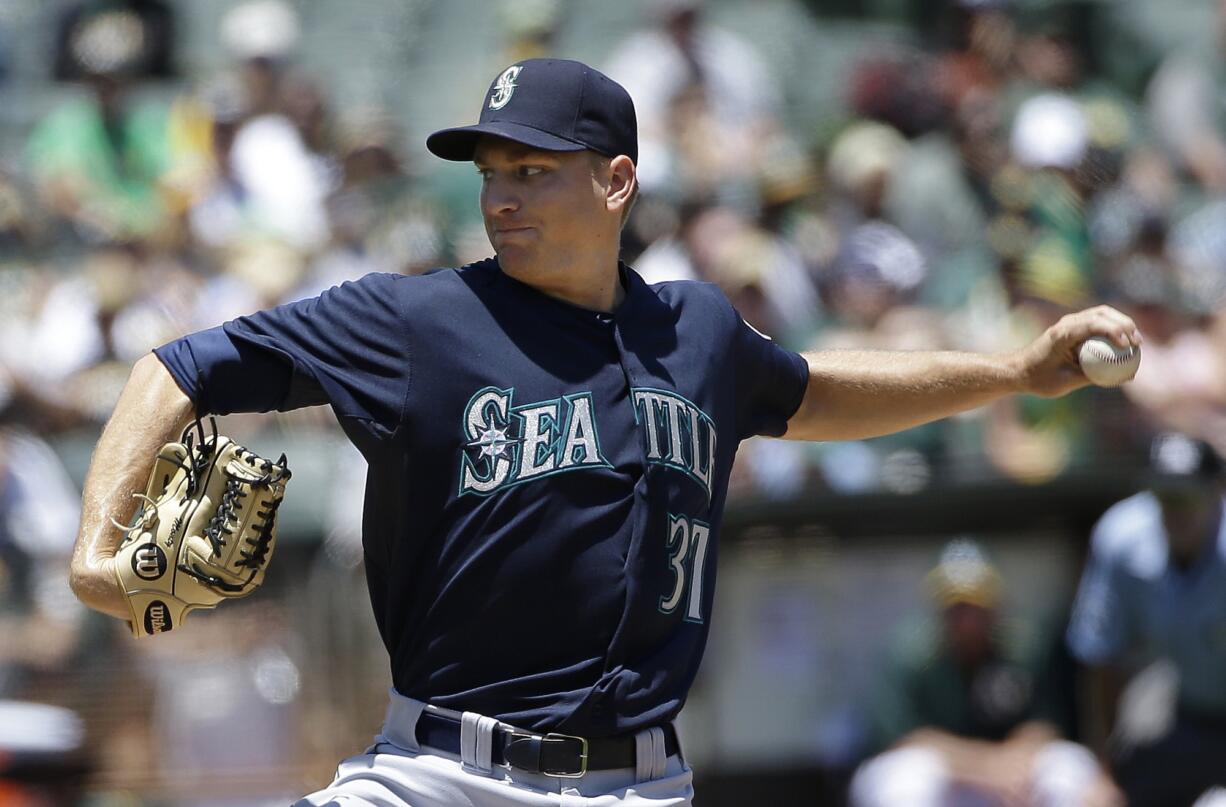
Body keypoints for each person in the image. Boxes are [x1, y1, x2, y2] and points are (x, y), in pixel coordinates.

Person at [68, 58, 1141, 806]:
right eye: (489, 172)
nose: (501, 197)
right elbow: (179, 366)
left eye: (531, 170)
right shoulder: (416, 320)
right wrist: (97, 544)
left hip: (635, 786)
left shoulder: (700, 333)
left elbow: (816, 391)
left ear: (616, 179)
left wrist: (1011, 372)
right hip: (434, 775)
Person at [850, 539, 1120, 807]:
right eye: (957, 605)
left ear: (995, 602)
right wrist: (986, 767)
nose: (967, 618)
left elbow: (1045, 724)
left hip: (1012, 778)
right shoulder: (910, 654)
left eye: (976, 602)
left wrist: (1009, 763)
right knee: (902, 780)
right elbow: (906, 739)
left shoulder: (1024, 647)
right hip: (950, 780)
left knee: (1070, 766)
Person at [1067, 433, 1226, 807]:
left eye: (1188, 495)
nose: (1176, 510)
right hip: (1191, 719)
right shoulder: (1122, 537)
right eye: (1164, 495)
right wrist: (1105, 772)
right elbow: (1101, 660)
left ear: (1218, 491)